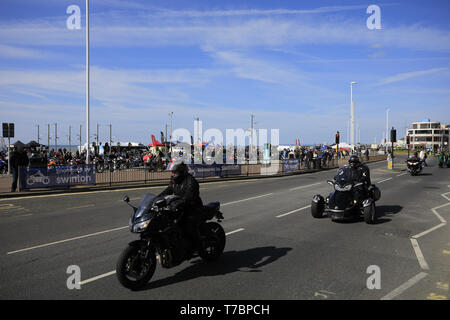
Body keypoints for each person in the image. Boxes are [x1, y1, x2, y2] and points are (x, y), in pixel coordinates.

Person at [158, 162, 204, 249]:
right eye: (173, 173)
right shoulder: (174, 182)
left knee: (188, 226)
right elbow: (167, 191)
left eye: (175, 173)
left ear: (181, 173)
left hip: (193, 208)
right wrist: (156, 199)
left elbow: (190, 196)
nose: (173, 175)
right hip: (180, 208)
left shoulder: (191, 181)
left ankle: (198, 246)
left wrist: (180, 202)